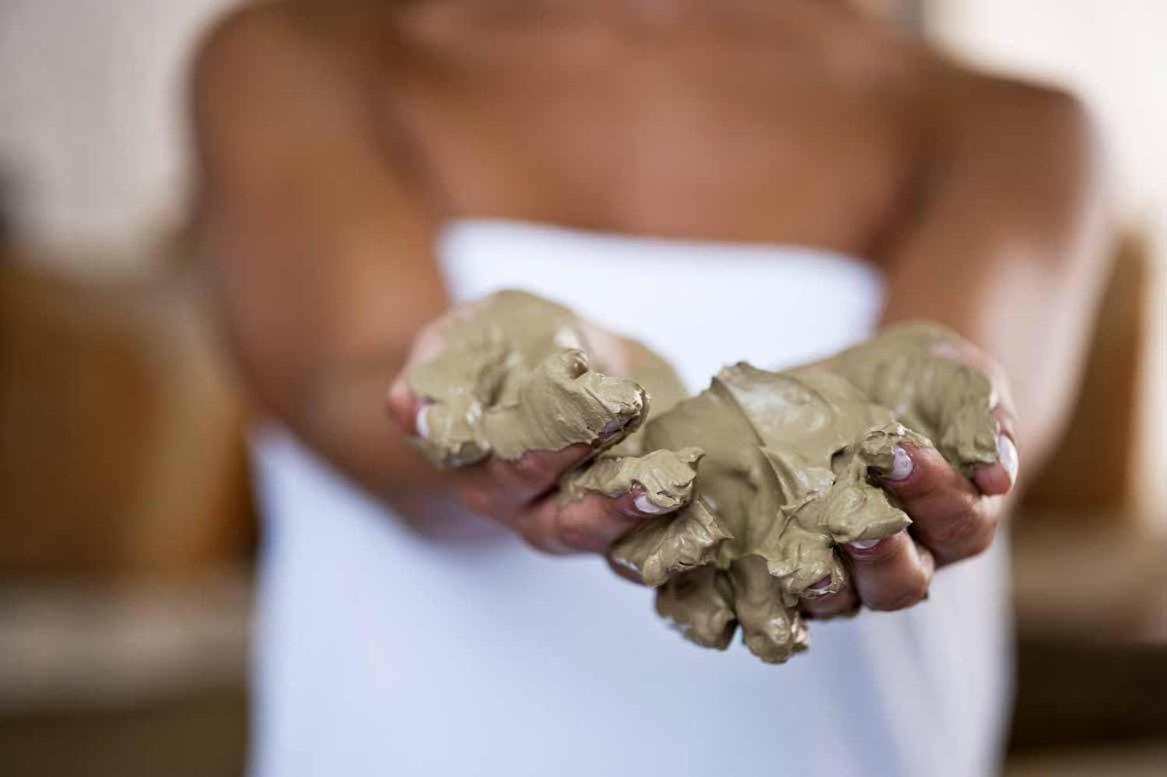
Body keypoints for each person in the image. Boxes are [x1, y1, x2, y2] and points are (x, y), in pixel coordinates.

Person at [192, 1, 1107, 775]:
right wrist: (530, 399)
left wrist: (925, 436)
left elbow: (965, 422)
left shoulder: (1008, 124)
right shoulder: (303, 56)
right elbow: (349, 390)